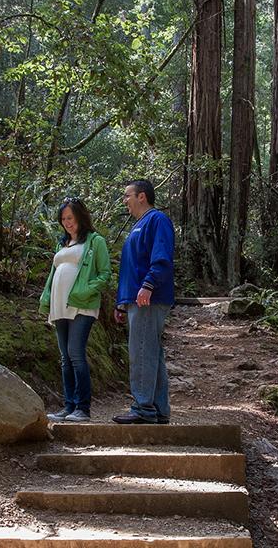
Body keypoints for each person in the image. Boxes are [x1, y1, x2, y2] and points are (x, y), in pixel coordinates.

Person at [39, 197, 110, 423]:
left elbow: (105, 274)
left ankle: (83, 408)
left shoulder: (95, 241)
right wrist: (47, 297)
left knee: (76, 354)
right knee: (65, 358)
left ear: (80, 216)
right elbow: (53, 275)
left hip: (82, 306)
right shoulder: (62, 244)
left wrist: (86, 291)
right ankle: (68, 406)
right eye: (63, 219)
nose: (67, 223)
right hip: (59, 306)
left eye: (70, 217)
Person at [113, 180, 175, 425]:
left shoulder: (157, 220)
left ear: (142, 197)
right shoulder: (136, 226)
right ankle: (158, 409)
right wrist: (121, 302)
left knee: (140, 351)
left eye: (126, 195)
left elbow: (162, 257)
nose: (124, 200)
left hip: (149, 298)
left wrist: (149, 285)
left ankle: (143, 409)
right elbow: (130, 268)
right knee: (151, 352)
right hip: (135, 299)